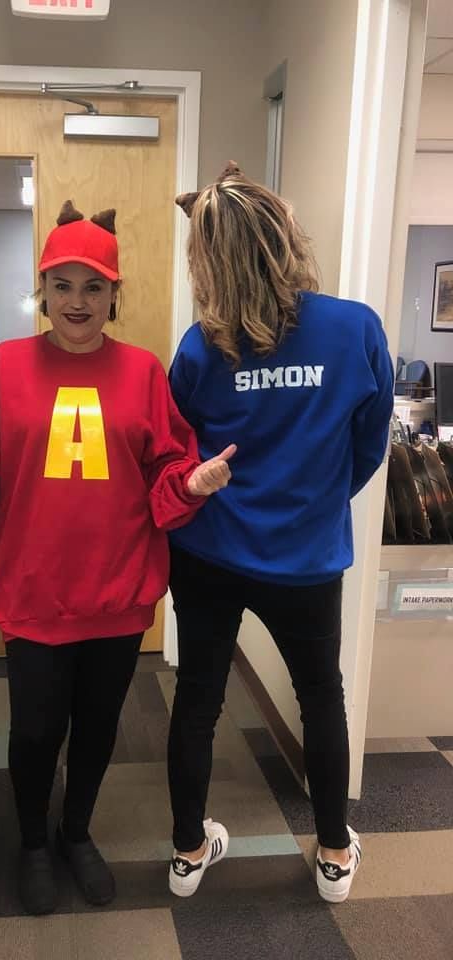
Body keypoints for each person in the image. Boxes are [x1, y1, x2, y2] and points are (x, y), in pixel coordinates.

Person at [0, 201, 235, 916]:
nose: (77, 302)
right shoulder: (6, 366)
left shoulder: (142, 372)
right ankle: (33, 840)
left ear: (113, 295)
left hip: (117, 592)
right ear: (43, 290)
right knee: (36, 729)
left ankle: (76, 832)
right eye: (62, 285)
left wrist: (190, 482)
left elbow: (166, 467)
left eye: (92, 287)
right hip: (36, 592)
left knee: (99, 727)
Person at [165, 163, 394, 903]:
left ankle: (188, 852)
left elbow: (180, 453)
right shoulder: (355, 328)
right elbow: (368, 447)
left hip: (210, 553)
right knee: (321, 697)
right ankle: (332, 855)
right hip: (305, 556)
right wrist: (313, 498)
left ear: (210, 260)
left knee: (197, 701)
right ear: (285, 236)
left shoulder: (201, 347)